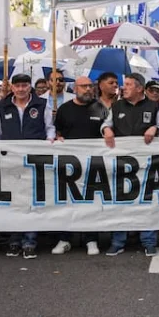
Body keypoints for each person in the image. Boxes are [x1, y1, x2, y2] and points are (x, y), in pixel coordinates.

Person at [102, 73, 159, 257]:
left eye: (129, 84)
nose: (125, 88)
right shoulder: (116, 106)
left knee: (146, 201)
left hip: (147, 164)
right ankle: (118, 241)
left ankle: (148, 241)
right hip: (122, 163)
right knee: (121, 202)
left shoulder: (153, 106)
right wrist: (106, 129)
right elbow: (105, 124)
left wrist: (155, 128)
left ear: (140, 88)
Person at [0, 74, 55, 258]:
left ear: (30, 87)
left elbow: (49, 128)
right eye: (18, 86)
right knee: (15, 201)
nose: (21, 89)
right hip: (11, 160)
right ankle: (14, 241)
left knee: (32, 200)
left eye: (25, 85)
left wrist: (50, 141)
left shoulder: (42, 105)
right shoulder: (2, 106)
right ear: (12, 88)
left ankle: (30, 241)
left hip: (35, 159)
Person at [52, 77, 104, 257]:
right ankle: (65, 238)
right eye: (84, 86)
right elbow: (57, 133)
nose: (88, 89)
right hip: (69, 166)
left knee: (90, 202)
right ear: (75, 88)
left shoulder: (100, 108)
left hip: (93, 165)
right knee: (67, 201)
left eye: (90, 86)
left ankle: (91, 239)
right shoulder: (65, 109)